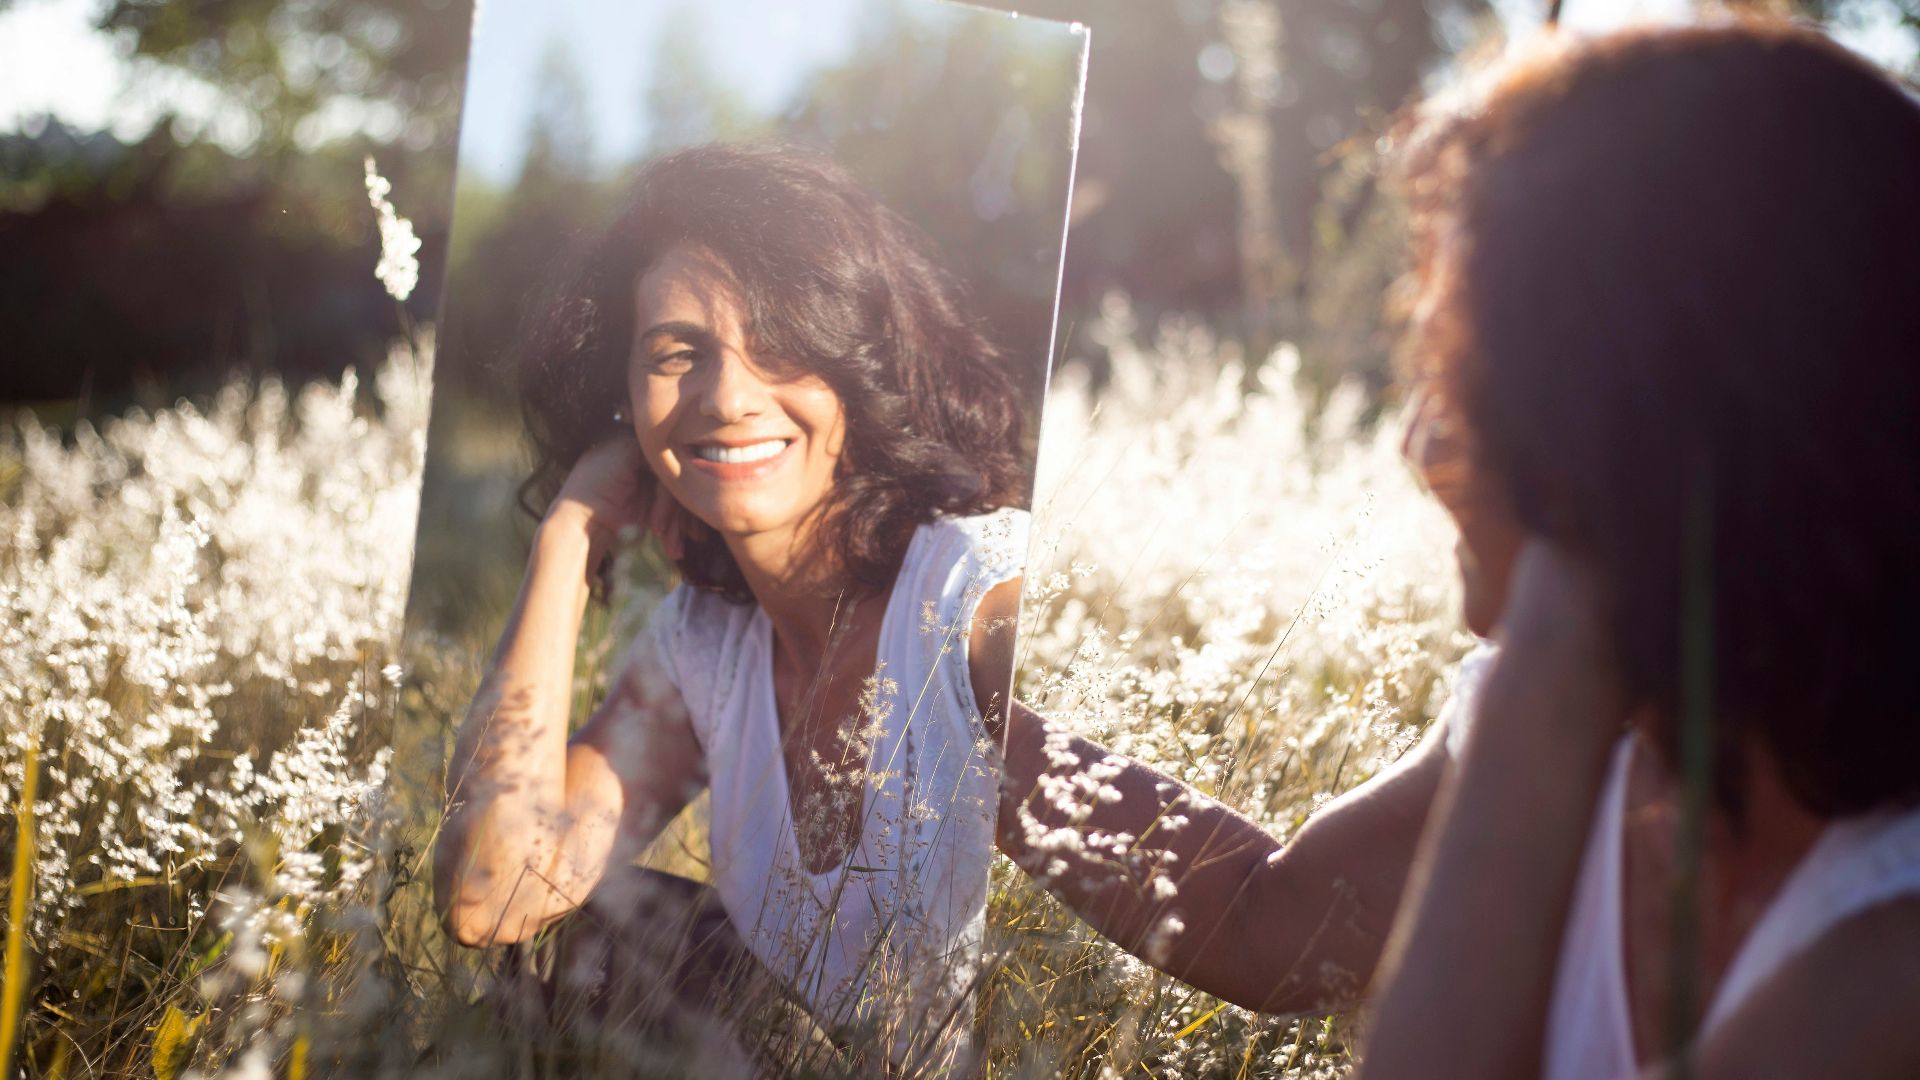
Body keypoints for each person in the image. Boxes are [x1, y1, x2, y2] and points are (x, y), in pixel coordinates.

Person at [996, 17, 1920, 1079]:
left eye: (1467, 371)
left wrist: (1558, 644)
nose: (1419, 442)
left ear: (1644, 411)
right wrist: (972, 718)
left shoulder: (1891, 959)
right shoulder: (1607, 727)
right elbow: (1261, 921)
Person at [431, 143, 1035, 1068]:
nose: (727, 396)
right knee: (588, 935)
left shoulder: (977, 593)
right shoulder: (704, 648)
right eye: (679, 353)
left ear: (858, 368)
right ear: (624, 399)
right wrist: (570, 533)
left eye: (783, 342)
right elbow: (493, 895)